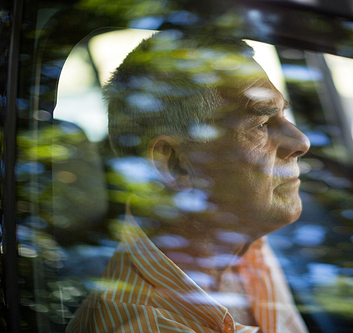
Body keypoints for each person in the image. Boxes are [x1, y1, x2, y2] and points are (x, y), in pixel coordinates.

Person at [66, 31, 310, 333]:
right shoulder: (146, 326)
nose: (301, 141)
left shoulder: (240, 239)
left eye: (283, 115)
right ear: (175, 164)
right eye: (261, 124)